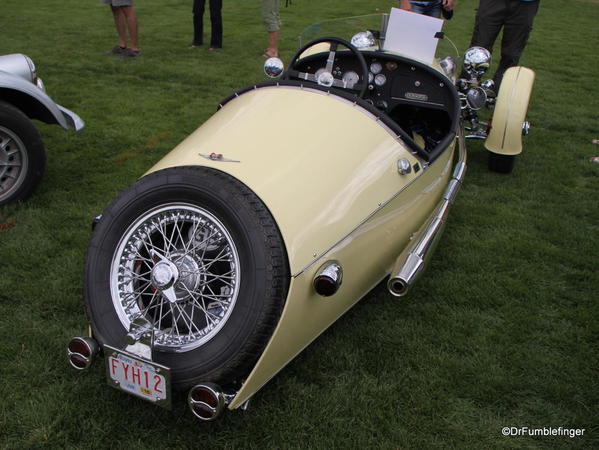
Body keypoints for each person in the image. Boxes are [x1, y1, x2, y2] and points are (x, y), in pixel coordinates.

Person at [469, 0, 540, 87]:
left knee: (511, 55)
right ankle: (466, 90)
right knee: (478, 50)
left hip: (526, 4)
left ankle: (497, 94)